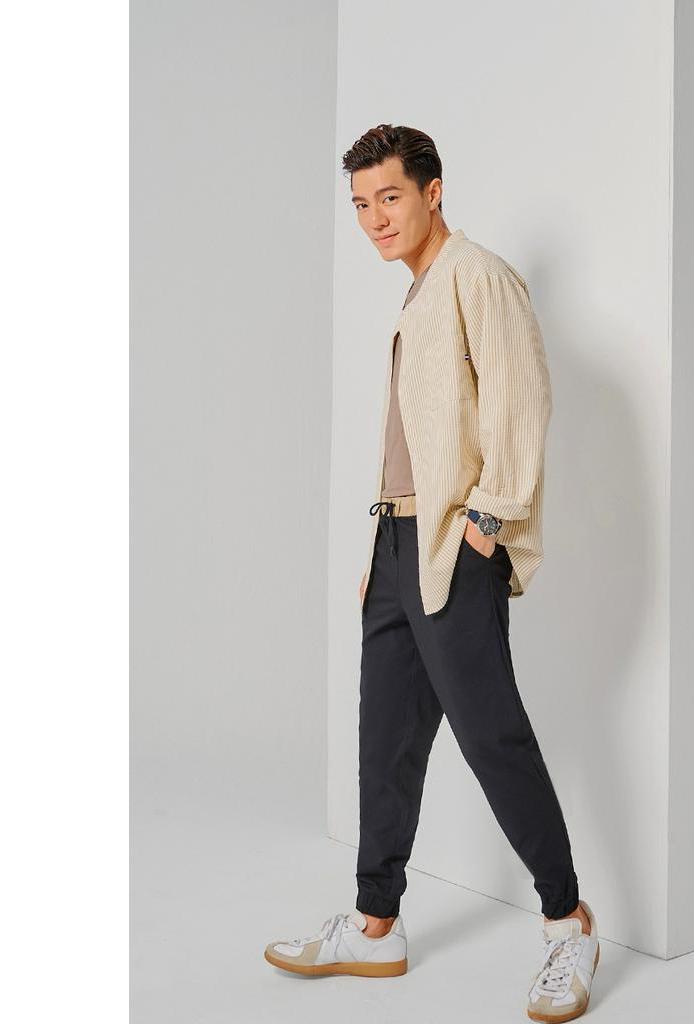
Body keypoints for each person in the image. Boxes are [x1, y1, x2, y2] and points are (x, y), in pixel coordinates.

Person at [264, 124, 599, 1022]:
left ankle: (568, 923)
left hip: (454, 544)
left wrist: (486, 524)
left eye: (390, 197)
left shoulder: (477, 276)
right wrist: (385, 555)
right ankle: (376, 926)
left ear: (432, 191)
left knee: (493, 739)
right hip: (395, 546)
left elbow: (523, 402)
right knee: (386, 741)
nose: (375, 217)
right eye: (361, 204)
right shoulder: (418, 292)